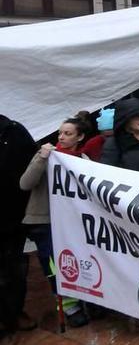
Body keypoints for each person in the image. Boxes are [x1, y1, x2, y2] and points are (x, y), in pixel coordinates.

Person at [19, 116, 93, 327]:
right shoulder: (47, 156)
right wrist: (41, 158)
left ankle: (89, 299)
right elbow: (25, 183)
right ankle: (69, 306)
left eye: (68, 133)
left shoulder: (83, 159)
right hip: (45, 222)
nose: (61, 137)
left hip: (73, 221)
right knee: (56, 265)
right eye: (60, 132)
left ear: (80, 137)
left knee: (79, 261)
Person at [0, 114, 37, 336]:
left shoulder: (14, 131)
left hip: (14, 217)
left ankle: (15, 311)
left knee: (16, 269)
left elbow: (33, 163)